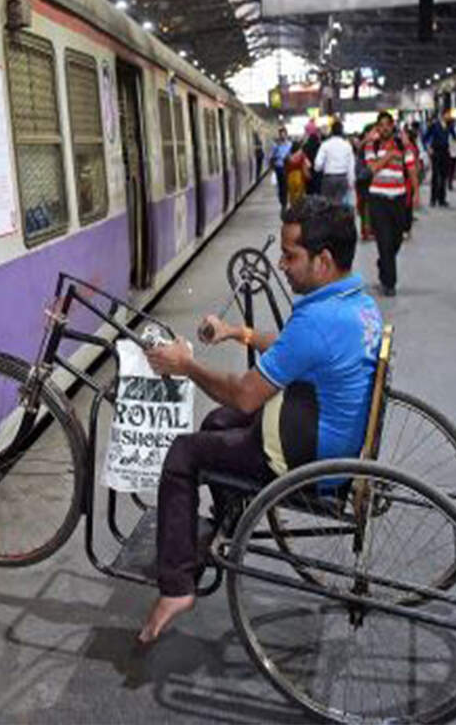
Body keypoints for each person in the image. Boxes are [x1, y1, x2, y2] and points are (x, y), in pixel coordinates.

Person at [136, 196, 383, 643]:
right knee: (217, 422)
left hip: (305, 456)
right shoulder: (355, 301)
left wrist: (185, 366)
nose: (281, 265)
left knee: (184, 453)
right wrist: (239, 332)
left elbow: (246, 395)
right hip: (324, 429)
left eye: (290, 256)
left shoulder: (319, 320)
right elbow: (295, 347)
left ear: (324, 261)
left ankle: (175, 588)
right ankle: (229, 520)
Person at [364, 111, 418, 296]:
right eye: (381, 125)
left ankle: (384, 262)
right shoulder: (372, 145)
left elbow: (411, 168)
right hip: (378, 199)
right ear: (377, 128)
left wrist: (416, 193)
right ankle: (389, 283)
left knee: (396, 239)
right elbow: (372, 168)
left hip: (399, 198)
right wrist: (389, 156)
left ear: (393, 126)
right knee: (384, 240)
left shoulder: (403, 146)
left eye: (388, 124)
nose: (385, 128)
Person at [313, 120, 355, 207]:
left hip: (328, 179)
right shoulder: (347, 145)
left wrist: (322, 168)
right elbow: (351, 166)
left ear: (331, 132)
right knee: (340, 206)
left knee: (327, 206)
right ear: (342, 131)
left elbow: (318, 165)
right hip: (342, 178)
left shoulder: (325, 145)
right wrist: (351, 182)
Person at [424, 112, 451, 207]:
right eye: (448, 114)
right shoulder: (434, 125)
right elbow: (425, 137)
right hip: (436, 152)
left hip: (445, 152)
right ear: (443, 115)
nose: (449, 116)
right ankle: (433, 199)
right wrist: (428, 148)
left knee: (444, 176)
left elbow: (454, 137)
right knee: (435, 176)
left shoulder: (450, 125)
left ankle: (442, 199)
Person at [284, 140, 311, 208]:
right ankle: (299, 209)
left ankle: (293, 208)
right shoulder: (302, 155)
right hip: (299, 177)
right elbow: (309, 165)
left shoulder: (287, 156)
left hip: (290, 177)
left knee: (292, 195)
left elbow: (285, 166)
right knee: (299, 195)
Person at [271, 127, 292, 212]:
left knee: (286, 185)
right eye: (281, 135)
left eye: (284, 134)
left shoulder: (290, 145)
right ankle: (283, 202)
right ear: (279, 135)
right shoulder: (276, 146)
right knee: (281, 186)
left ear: (286, 135)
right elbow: (272, 156)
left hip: (287, 167)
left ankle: (285, 202)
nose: (282, 136)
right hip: (279, 167)